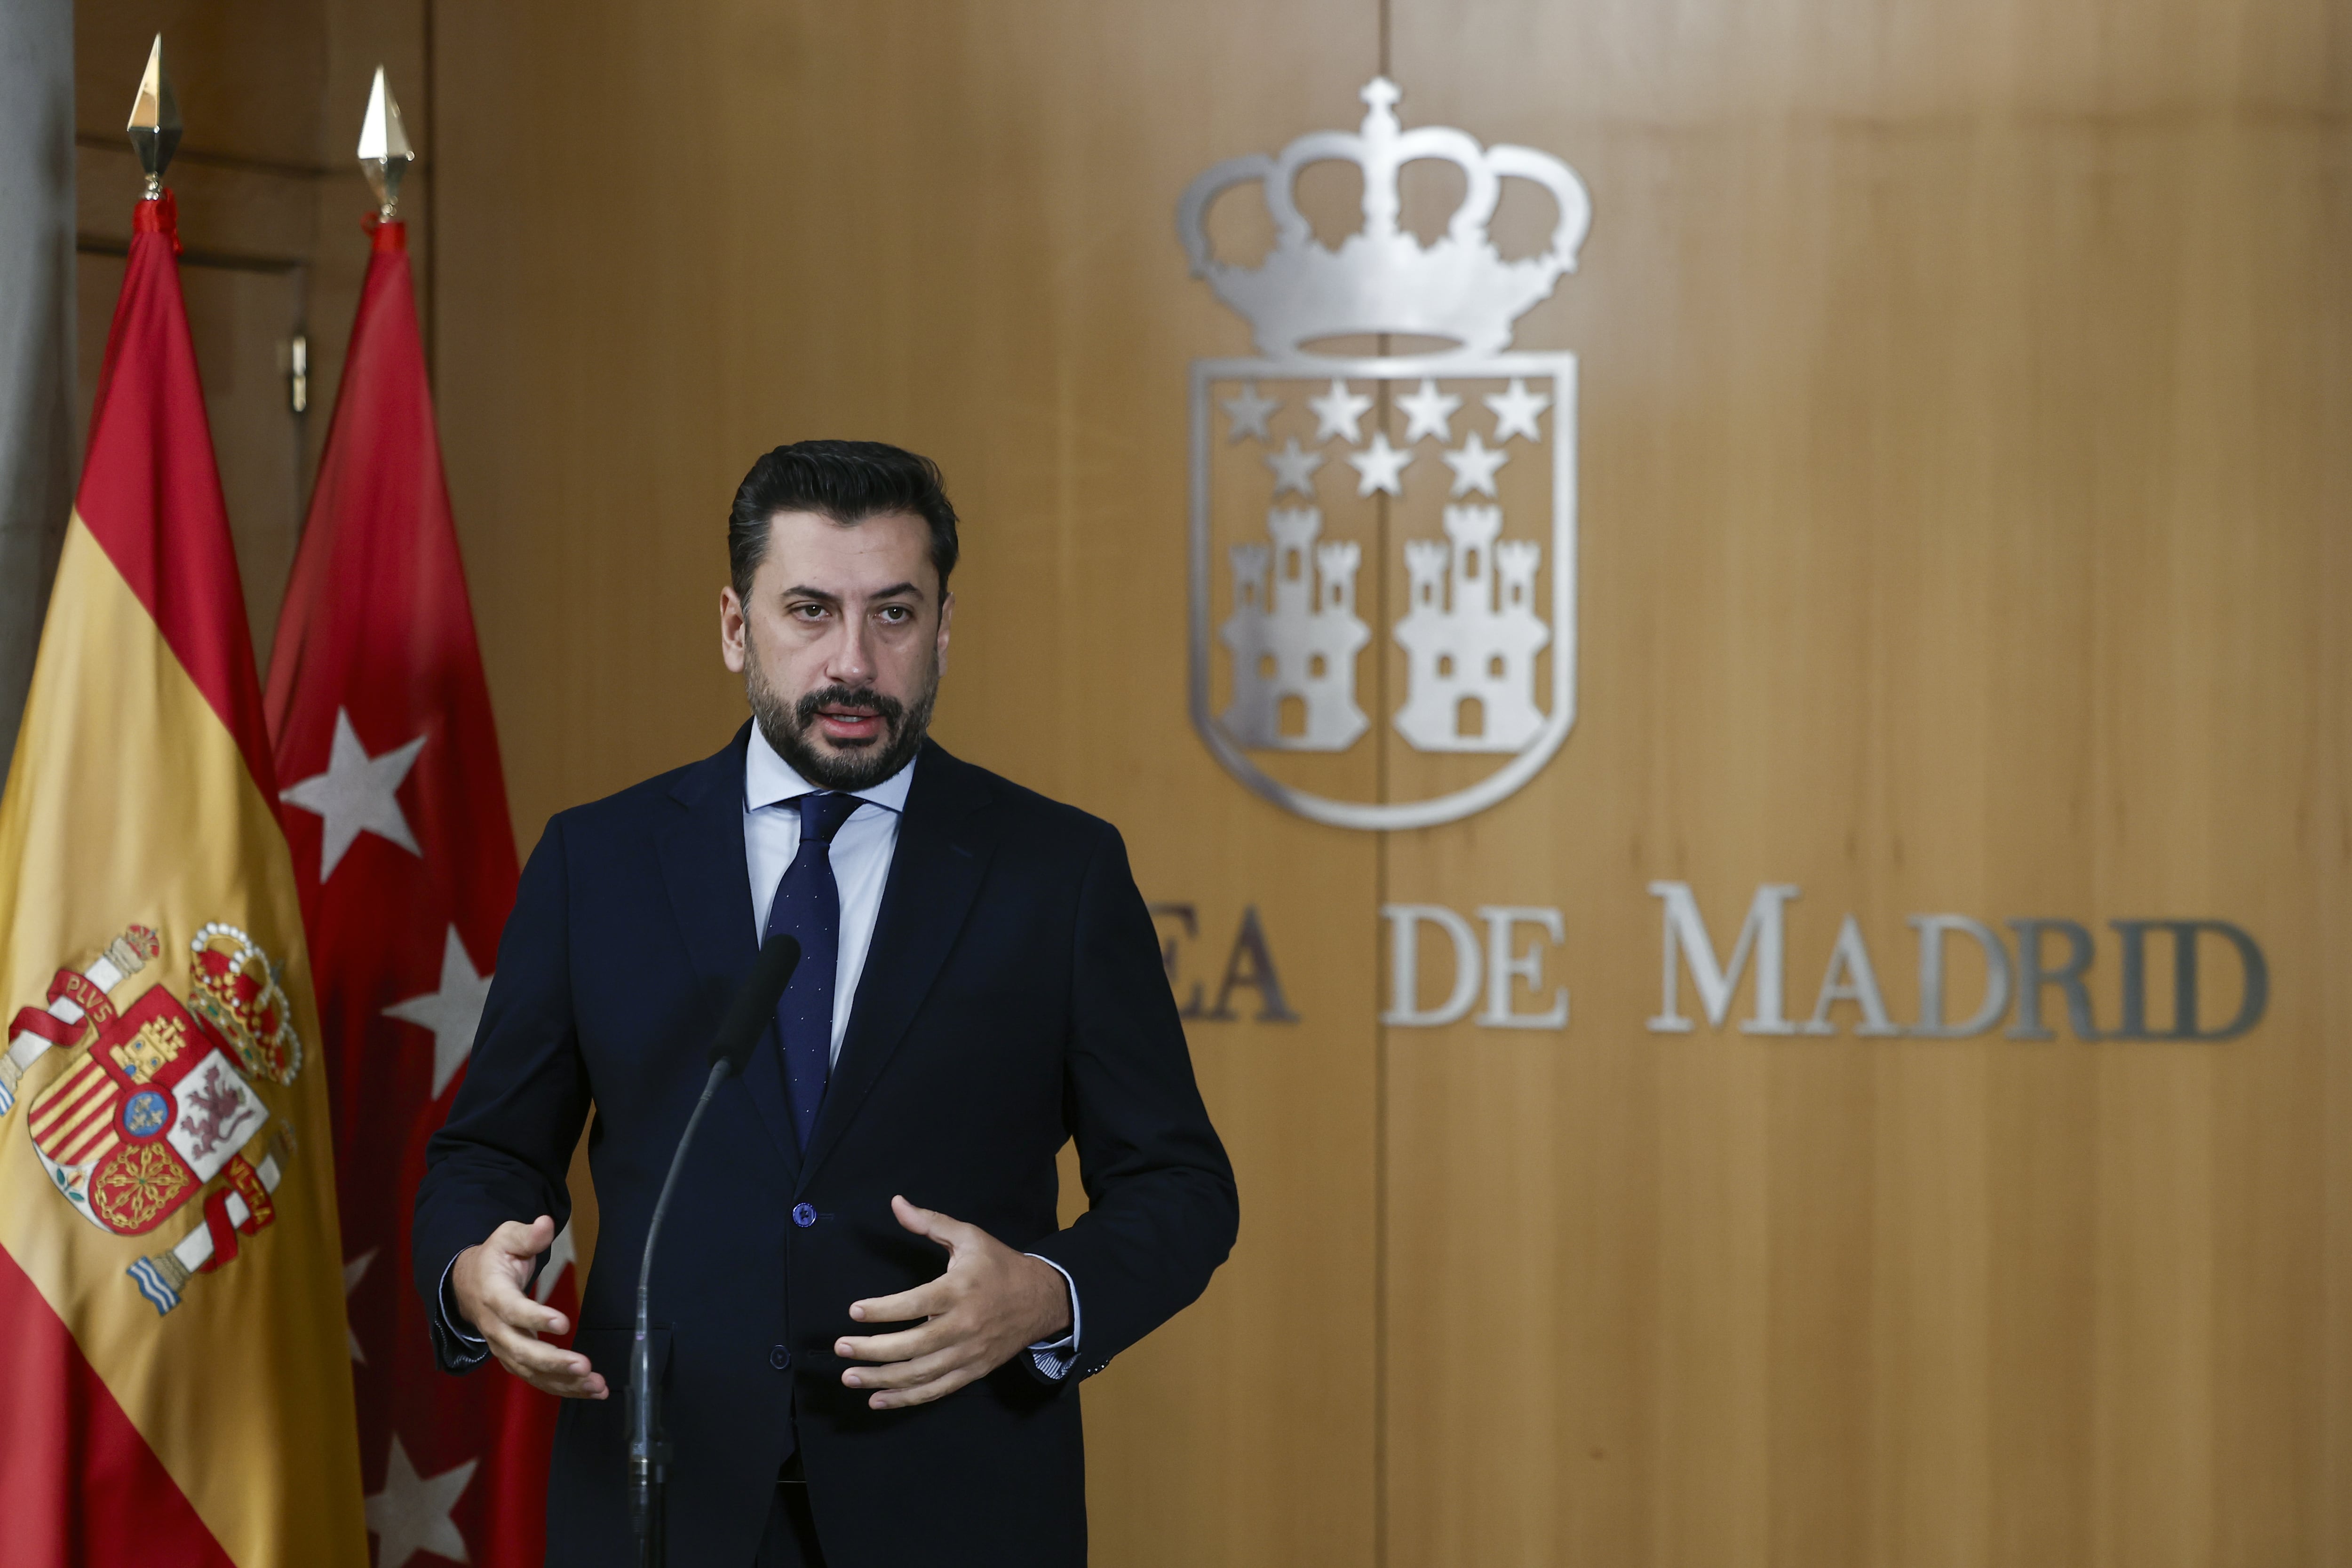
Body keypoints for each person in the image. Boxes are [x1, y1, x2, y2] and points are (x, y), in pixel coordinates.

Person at [411, 440, 1239, 1567]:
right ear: (735, 626)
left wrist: (1047, 1294)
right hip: (664, 1498)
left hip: (958, 1508)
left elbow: (1182, 1185)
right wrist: (472, 1268)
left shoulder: (1057, 870)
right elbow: (489, 1149)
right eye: (810, 610)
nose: (854, 661)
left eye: (893, 615)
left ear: (943, 629)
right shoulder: (595, 861)